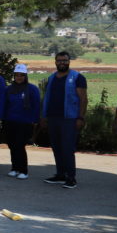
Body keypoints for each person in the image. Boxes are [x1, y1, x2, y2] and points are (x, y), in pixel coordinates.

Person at [41, 51, 87, 189]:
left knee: (67, 148)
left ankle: (71, 178)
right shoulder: (51, 78)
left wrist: (80, 117)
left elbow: (83, 99)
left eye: (65, 60)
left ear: (69, 61)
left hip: (69, 118)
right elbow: (47, 98)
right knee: (56, 147)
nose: (62, 63)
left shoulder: (78, 77)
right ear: (55, 62)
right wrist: (43, 116)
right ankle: (60, 175)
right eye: (59, 60)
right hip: (53, 117)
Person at [0, 64, 41, 180]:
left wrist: (35, 121)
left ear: (25, 75)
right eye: (17, 75)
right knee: (12, 145)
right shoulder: (8, 89)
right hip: (9, 121)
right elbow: (4, 105)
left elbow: (36, 106)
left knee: (20, 146)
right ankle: (15, 168)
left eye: (22, 75)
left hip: (25, 122)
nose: (19, 77)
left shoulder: (32, 89)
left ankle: (23, 170)